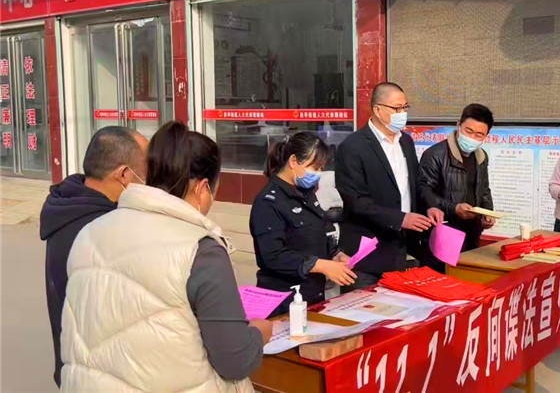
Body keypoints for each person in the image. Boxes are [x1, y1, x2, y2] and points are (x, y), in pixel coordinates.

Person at [60, 122, 270, 392]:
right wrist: (259, 333)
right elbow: (235, 360)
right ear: (203, 187)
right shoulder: (200, 250)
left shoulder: (88, 234)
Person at [38, 126, 148, 387]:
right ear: (124, 174)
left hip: (75, 370)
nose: (151, 178)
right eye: (148, 168)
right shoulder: (103, 230)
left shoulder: (69, 206)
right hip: (101, 378)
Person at [335, 82, 442, 288]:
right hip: (367, 255)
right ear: (378, 110)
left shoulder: (406, 142)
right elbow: (356, 201)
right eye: (397, 108)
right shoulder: (353, 147)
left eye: (405, 107)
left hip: (403, 249)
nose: (402, 114)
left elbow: (416, 183)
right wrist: (400, 219)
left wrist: (429, 205)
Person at [250, 132, 355, 315]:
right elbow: (273, 256)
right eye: (314, 167)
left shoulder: (306, 193)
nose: (318, 174)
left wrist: (335, 254)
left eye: (321, 168)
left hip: (312, 294)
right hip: (284, 300)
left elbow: (318, 231)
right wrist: (321, 265)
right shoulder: (269, 202)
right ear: (293, 161)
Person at [418, 104, 495, 262]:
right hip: (444, 233)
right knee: (442, 275)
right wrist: (454, 208)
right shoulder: (435, 154)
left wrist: (488, 213)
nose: (472, 138)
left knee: (467, 274)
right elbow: (424, 192)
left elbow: (484, 189)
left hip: (472, 232)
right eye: (469, 131)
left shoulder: (481, 157)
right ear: (458, 125)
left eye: (479, 135)